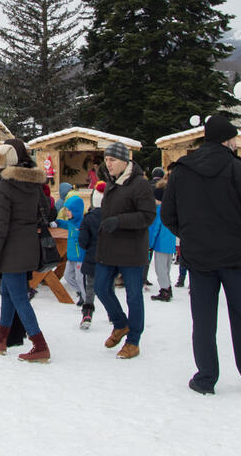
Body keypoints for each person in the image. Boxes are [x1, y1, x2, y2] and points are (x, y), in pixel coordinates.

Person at [161, 115, 241, 395]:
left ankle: (206, 377)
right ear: (228, 140)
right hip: (236, 258)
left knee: (204, 320)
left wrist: (189, 237)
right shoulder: (240, 171)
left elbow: (168, 215)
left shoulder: (182, 171)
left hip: (199, 258)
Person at [0, 139, 51, 363]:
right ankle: (0, 338)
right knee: (9, 294)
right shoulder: (32, 182)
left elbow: (1, 226)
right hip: (28, 244)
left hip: (12, 249)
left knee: (19, 296)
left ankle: (39, 344)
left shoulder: (4, 185)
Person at [91, 141, 156, 360]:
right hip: (109, 248)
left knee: (134, 296)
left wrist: (119, 221)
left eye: (112, 160)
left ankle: (133, 340)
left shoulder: (140, 184)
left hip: (132, 249)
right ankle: (120, 324)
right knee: (100, 287)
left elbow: (148, 216)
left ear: (125, 161)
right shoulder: (111, 183)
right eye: (106, 159)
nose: (108, 164)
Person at [77, 183, 103, 329]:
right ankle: (114, 315)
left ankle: (87, 313)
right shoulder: (113, 216)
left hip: (92, 257)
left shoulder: (88, 218)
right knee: (109, 288)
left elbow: (83, 241)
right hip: (110, 259)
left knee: (90, 288)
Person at [148, 184, 177, 302]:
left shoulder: (159, 211)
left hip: (161, 243)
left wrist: (150, 243)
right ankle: (167, 287)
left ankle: (165, 290)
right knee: (166, 267)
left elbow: (155, 228)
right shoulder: (171, 209)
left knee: (160, 269)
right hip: (170, 243)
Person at [57, 194, 86, 304]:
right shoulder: (71, 223)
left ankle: (86, 299)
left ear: (76, 211)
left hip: (80, 257)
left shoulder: (82, 224)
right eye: (66, 210)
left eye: (69, 210)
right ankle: (79, 292)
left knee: (80, 278)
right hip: (71, 256)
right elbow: (65, 224)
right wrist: (57, 222)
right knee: (67, 276)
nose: (67, 213)